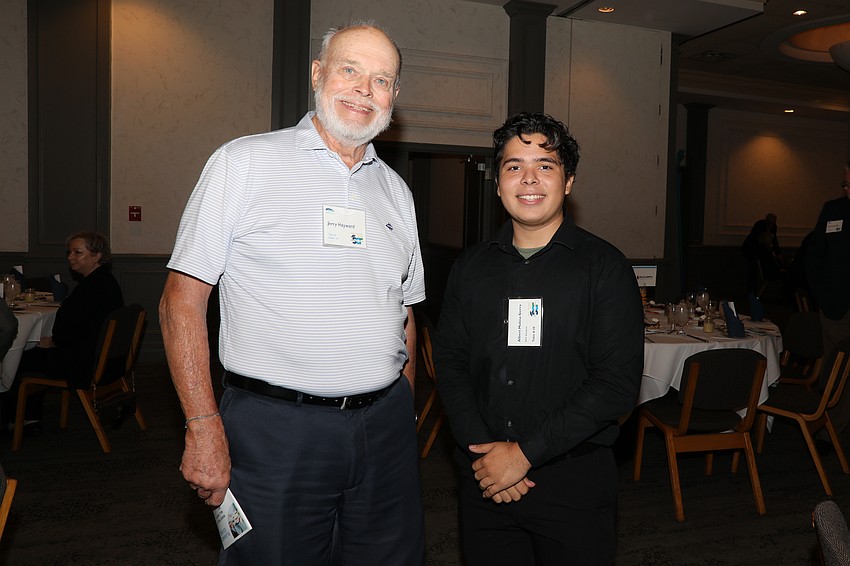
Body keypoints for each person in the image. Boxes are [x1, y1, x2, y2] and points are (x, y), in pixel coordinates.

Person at [159, 20, 425, 566]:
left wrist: (404, 411)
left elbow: (405, 312)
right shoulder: (244, 162)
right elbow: (180, 304)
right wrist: (203, 428)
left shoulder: (396, 192)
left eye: (381, 80)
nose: (363, 89)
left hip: (384, 433)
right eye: (350, 70)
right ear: (317, 74)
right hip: (275, 431)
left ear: (394, 97)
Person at [433, 112, 644, 565]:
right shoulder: (470, 268)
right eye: (513, 166)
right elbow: (449, 363)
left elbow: (615, 384)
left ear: (568, 181)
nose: (528, 178)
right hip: (483, 477)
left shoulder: (605, 268)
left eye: (545, 165)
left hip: (573, 483)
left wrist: (524, 455)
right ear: (497, 183)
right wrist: (488, 459)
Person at [4, 232, 124, 425]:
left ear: (97, 256)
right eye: (70, 252)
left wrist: (53, 341)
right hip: (105, 359)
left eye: (78, 252)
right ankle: (27, 416)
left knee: (18, 357)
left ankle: (18, 419)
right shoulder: (104, 282)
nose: (70, 257)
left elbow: (68, 330)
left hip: (83, 363)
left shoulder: (92, 288)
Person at [807, 161, 850, 438]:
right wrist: (821, 297)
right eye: (845, 184)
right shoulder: (833, 210)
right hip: (837, 307)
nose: (847, 190)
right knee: (836, 370)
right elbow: (814, 258)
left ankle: (834, 428)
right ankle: (828, 428)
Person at [742, 212, 784, 293]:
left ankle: (752, 291)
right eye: (770, 223)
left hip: (760, 250)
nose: (771, 225)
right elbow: (755, 240)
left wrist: (778, 253)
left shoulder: (773, 227)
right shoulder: (760, 225)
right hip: (751, 250)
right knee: (753, 271)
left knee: (754, 271)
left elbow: (774, 241)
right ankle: (751, 291)